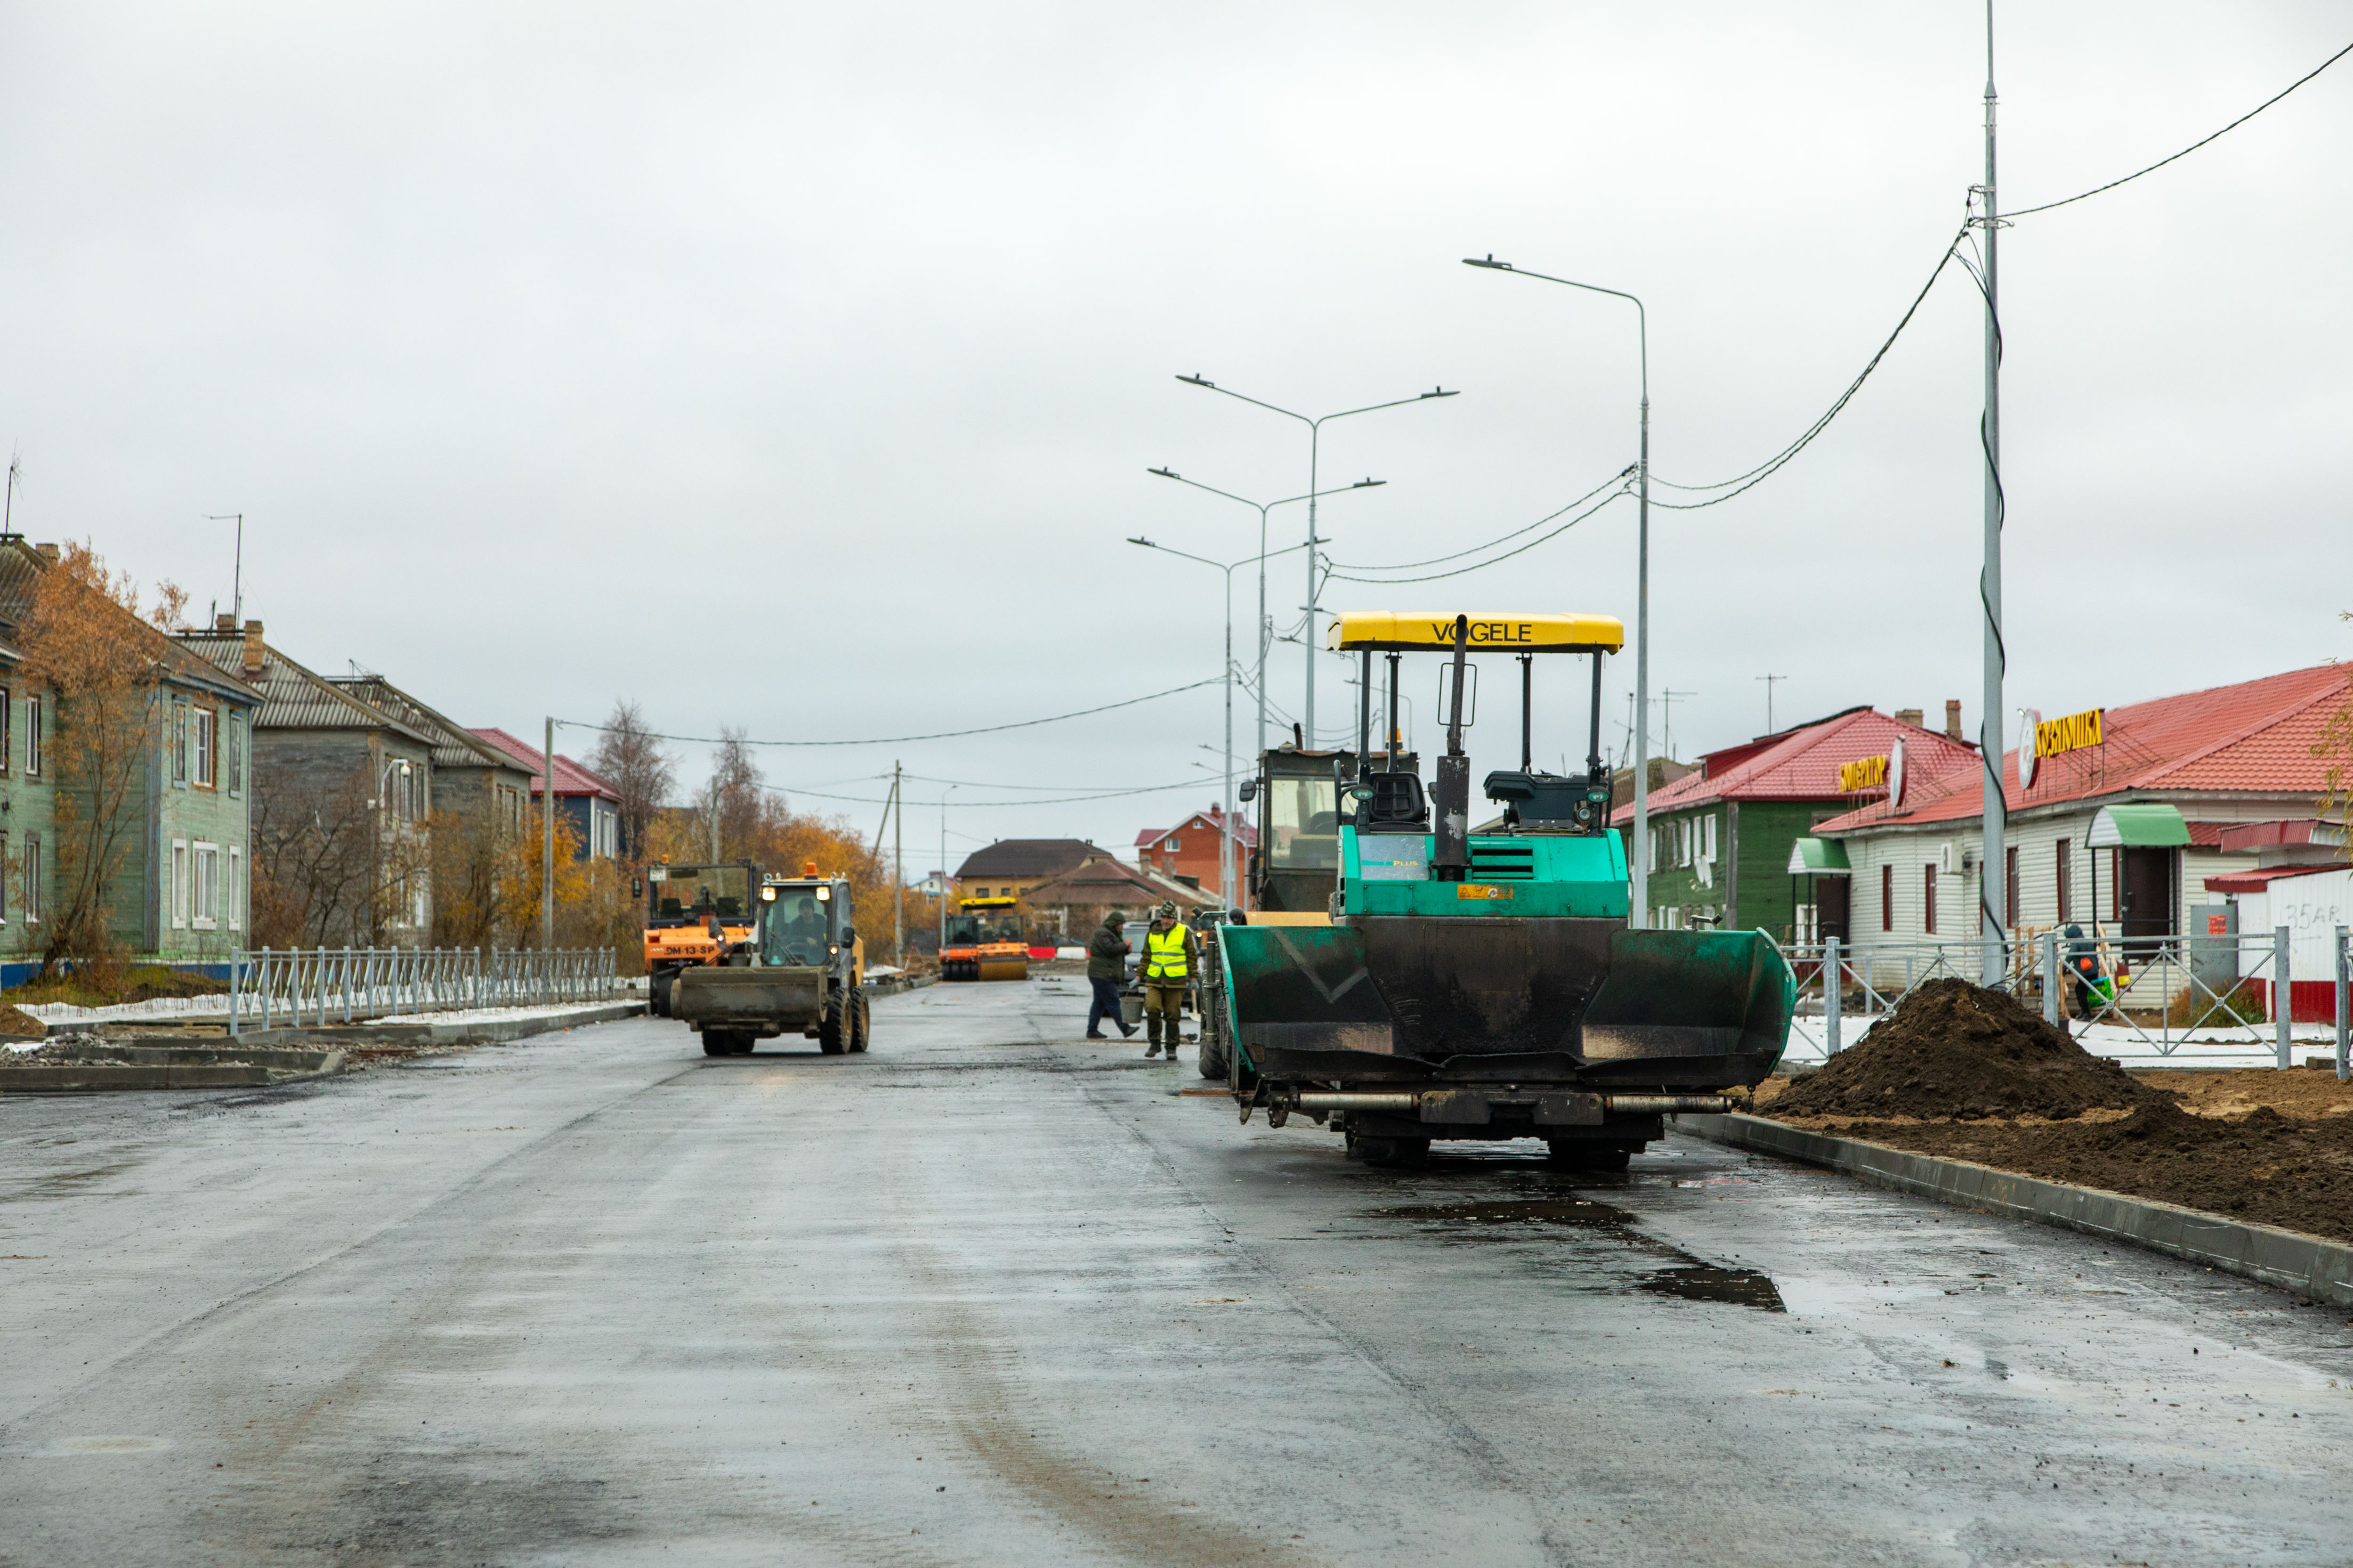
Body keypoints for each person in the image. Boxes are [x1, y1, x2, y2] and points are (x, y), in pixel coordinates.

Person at [1140, 901, 1199, 1060]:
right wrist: (1139, 976)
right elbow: (1146, 956)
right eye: (1164, 917)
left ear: (1175, 919)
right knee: (1152, 1009)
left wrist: (1194, 977)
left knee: (1172, 1014)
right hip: (1154, 979)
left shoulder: (1183, 932)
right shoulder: (1153, 932)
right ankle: (1155, 1043)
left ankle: (1171, 1047)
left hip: (1176, 981)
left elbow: (1191, 956)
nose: (1166, 921)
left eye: (1169, 918)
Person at [1086, 911, 1136, 1041]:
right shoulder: (1102, 933)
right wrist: (1124, 944)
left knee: (1099, 1003)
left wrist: (1126, 950)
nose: (1122, 927)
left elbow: (1116, 951)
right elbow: (1110, 950)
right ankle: (1125, 1028)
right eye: (1120, 924)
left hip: (1104, 973)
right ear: (1114, 923)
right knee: (1113, 1000)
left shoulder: (1113, 933)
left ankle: (1092, 1030)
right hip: (1102, 974)